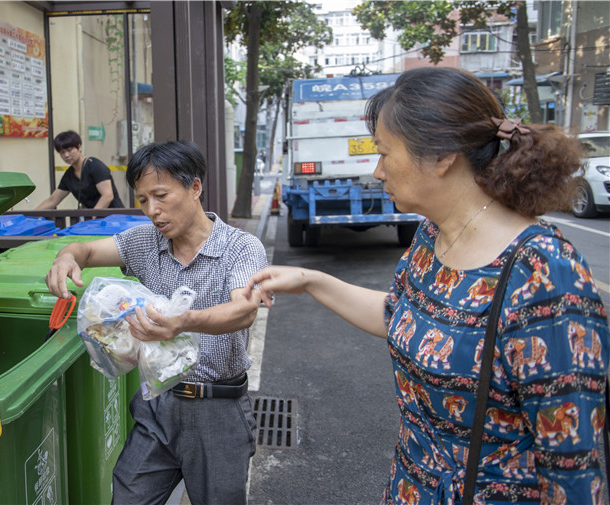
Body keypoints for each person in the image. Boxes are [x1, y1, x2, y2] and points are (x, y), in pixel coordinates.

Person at [243, 67, 610, 504]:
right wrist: (310, 280)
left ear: (442, 156)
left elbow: (572, 464)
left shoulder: (545, 275)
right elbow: (399, 315)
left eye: (384, 152)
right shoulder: (431, 236)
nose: (377, 170)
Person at [45, 140, 267, 505]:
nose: (153, 210)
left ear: (195, 187)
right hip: (156, 404)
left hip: (217, 410)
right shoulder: (145, 241)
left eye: (161, 196)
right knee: (129, 496)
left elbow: (243, 311)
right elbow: (85, 250)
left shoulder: (241, 248)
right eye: (143, 200)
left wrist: (183, 322)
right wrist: (66, 258)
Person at [36, 130, 125, 209]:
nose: (66, 155)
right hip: (94, 220)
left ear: (79, 147)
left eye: (69, 150)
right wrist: (30, 216)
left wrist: (92, 218)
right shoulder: (69, 175)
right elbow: (52, 200)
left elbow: (107, 196)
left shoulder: (94, 165)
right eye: (62, 152)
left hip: (115, 219)